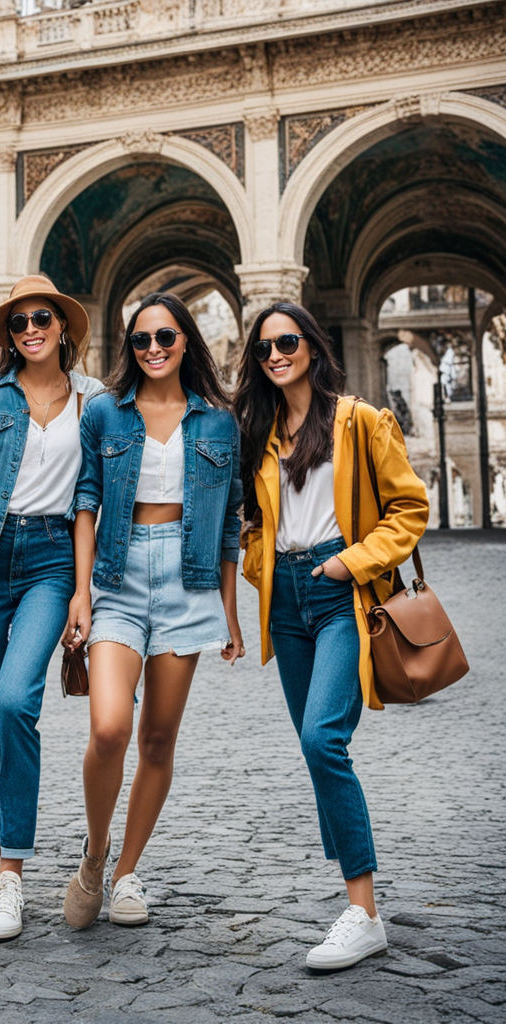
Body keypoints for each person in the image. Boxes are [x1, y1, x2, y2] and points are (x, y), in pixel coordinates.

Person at [234, 301, 428, 970]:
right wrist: (262, 566)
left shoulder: (360, 421)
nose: (277, 354)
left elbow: (410, 507)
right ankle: (355, 896)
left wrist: (353, 560)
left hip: (341, 590)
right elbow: (253, 521)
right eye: (264, 349)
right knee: (315, 749)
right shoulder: (256, 429)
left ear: (312, 346)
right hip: (285, 600)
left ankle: (363, 912)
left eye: (287, 341)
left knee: (323, 738)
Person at [61, 292, 244, 929]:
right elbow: (85, 502)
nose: (155, 348)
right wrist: (80, 592)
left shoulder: (219, 420)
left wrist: (230, 609)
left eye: (166, 337)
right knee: (108, 728)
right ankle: (95, 846)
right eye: (142, 340)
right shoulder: (106, 414)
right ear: (129, 348)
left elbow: (228, 524)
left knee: (158, 738)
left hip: (189, 581)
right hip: (117, 570)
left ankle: (127, 872)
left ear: (186, 341)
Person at [0, 274, 103, 941]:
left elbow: (92, 498)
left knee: (17, 701)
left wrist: (83, 588)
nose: (31, 330)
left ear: (63, 326)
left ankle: (13, 876)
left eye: (42, 319)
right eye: (18, 324)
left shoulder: (93, 402)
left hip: (50, 558)